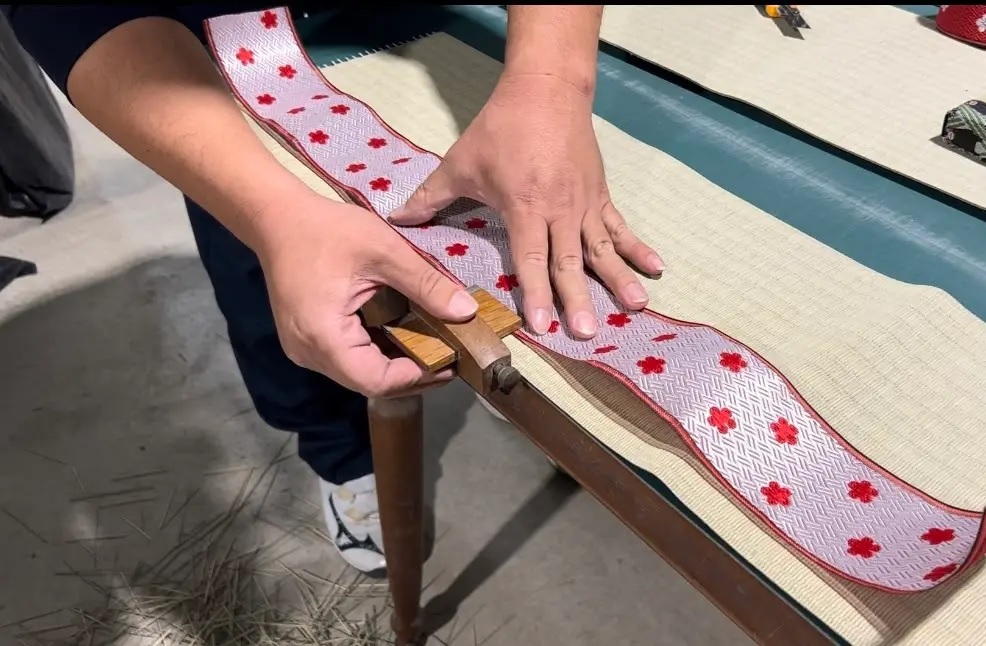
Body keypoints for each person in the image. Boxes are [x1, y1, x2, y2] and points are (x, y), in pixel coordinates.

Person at [2, 4, 665, 577]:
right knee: (270, 281)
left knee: (512, 210)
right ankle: (341, 455)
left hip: (428, 28)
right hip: (209, 52)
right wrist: (271, 217)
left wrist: (550, 84)